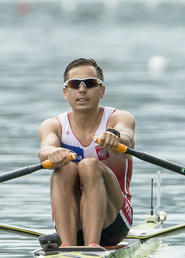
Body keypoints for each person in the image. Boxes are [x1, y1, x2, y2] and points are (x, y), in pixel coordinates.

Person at [37, 58, 135, 247]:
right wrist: (54, 153)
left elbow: (127, 136)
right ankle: (67, 246)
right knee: (64, 170)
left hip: (114, 221)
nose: (82, 90)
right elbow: (44, 150)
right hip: (72, 223)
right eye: (74, 85)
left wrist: (114, 137)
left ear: (102, 91)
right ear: (66, 92)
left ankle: (92, 247)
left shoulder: (119, 118)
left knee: (89, 165)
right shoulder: (53, 125)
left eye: (90, 83)